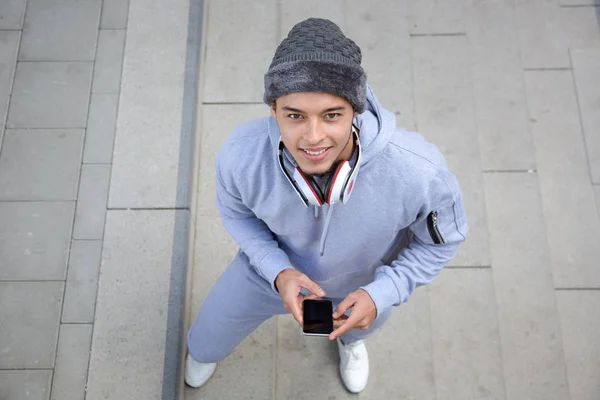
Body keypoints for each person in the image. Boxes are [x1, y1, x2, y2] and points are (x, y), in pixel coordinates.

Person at [185, 18, 468, 393]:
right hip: (268, 273)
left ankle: (350, 344)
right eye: (295, 115)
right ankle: (206, 351)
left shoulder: (420, 172)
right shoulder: (239, 157)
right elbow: (238, 216)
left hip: (362, 284)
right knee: (208, 334)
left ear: (356, 109)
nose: (313, 137)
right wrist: (277, 271)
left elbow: (443, 241)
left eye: (332, 115)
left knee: (354, 330)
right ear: (274, 109)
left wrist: (382, 292)